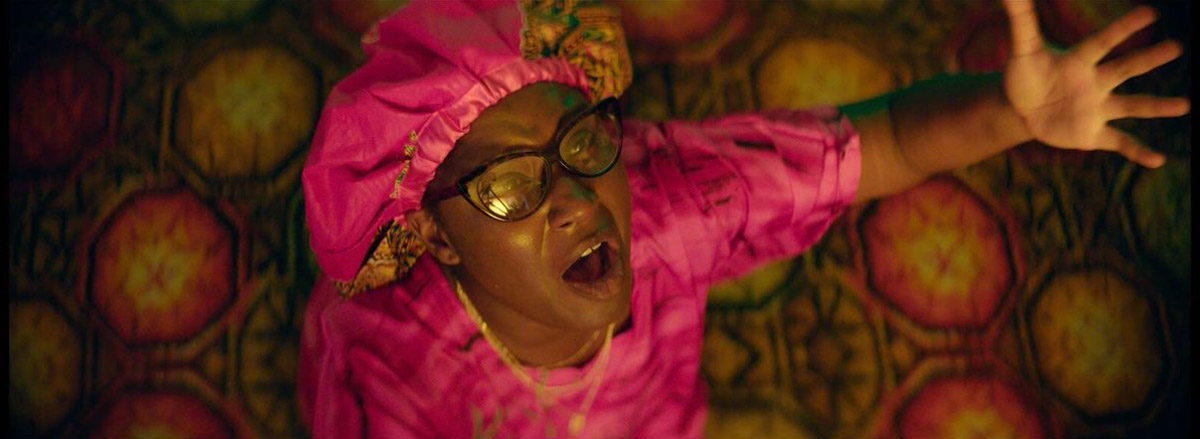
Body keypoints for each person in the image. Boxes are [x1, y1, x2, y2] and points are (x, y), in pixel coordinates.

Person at [298, 0, 1187, 437]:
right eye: (506, 187)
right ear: (435, 234)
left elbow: (884, 142)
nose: (574, 199)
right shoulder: (393, 357)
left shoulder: (678, 204)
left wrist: (1010, 111)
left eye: (582, 142)